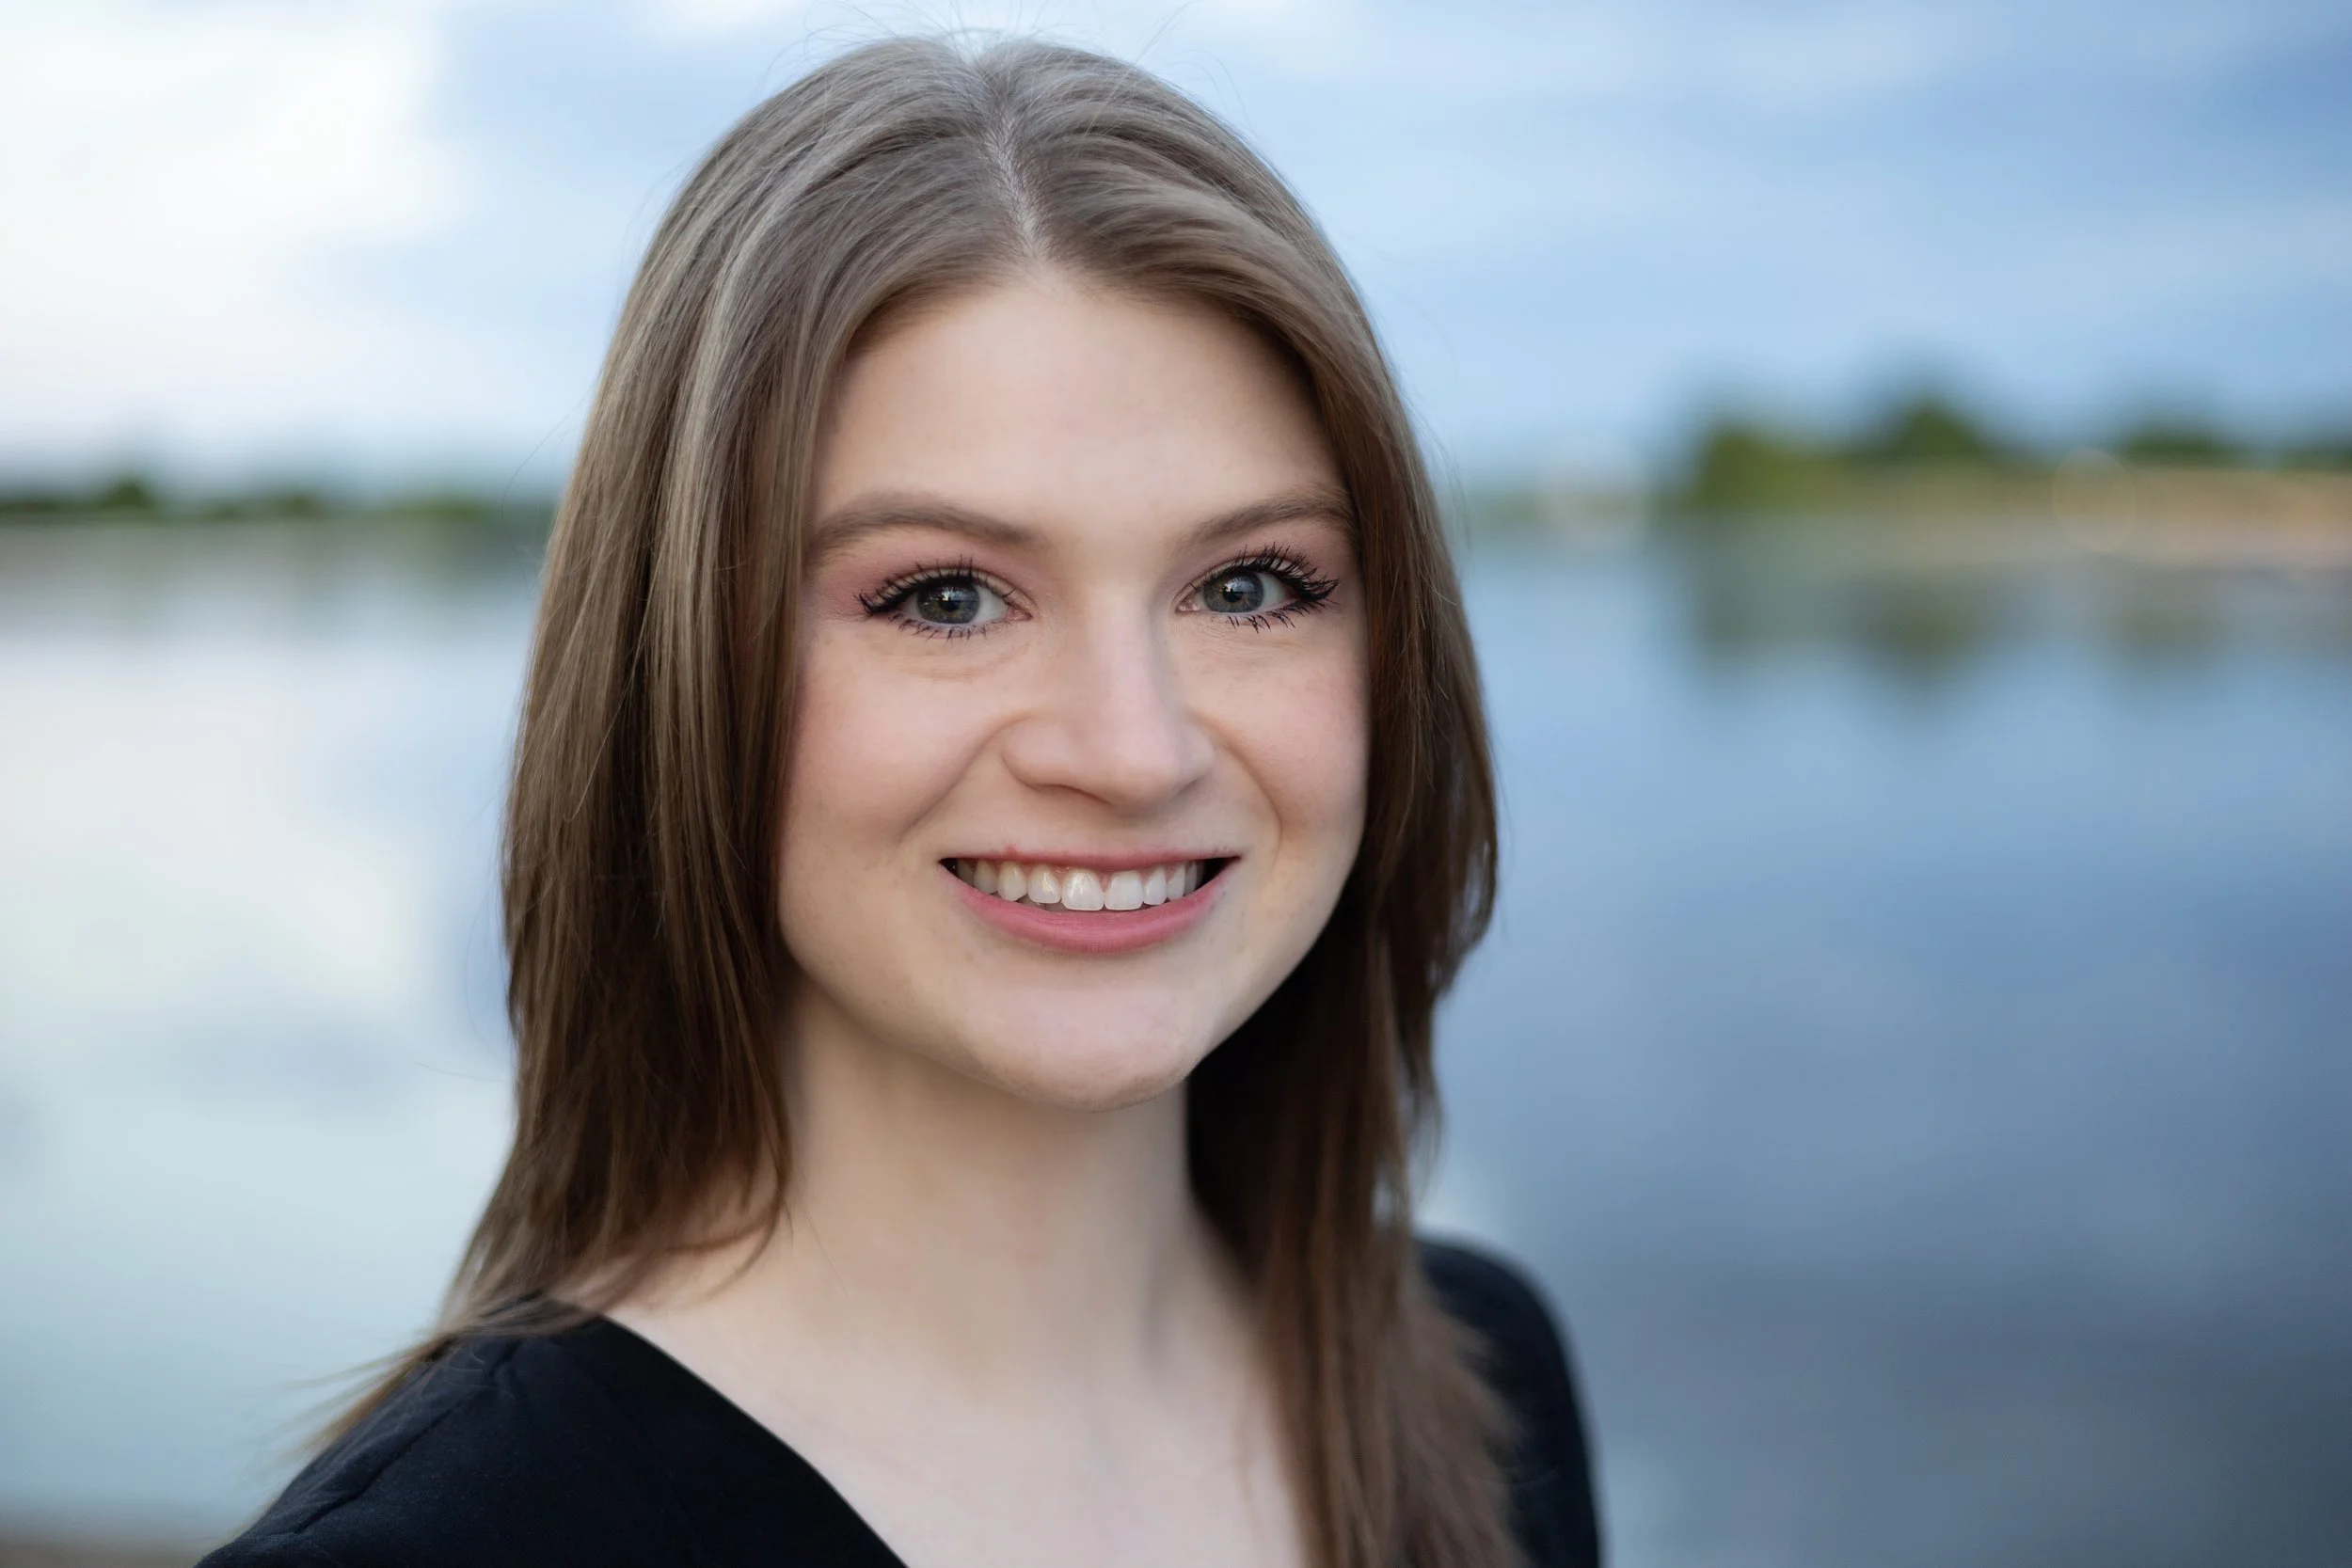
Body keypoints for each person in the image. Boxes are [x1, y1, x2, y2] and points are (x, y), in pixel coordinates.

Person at [203, 35, 1598, 1568]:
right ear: (682, 667)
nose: (1133, 751)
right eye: (945, 596)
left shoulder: (1491, 1383)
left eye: (1249, 585)